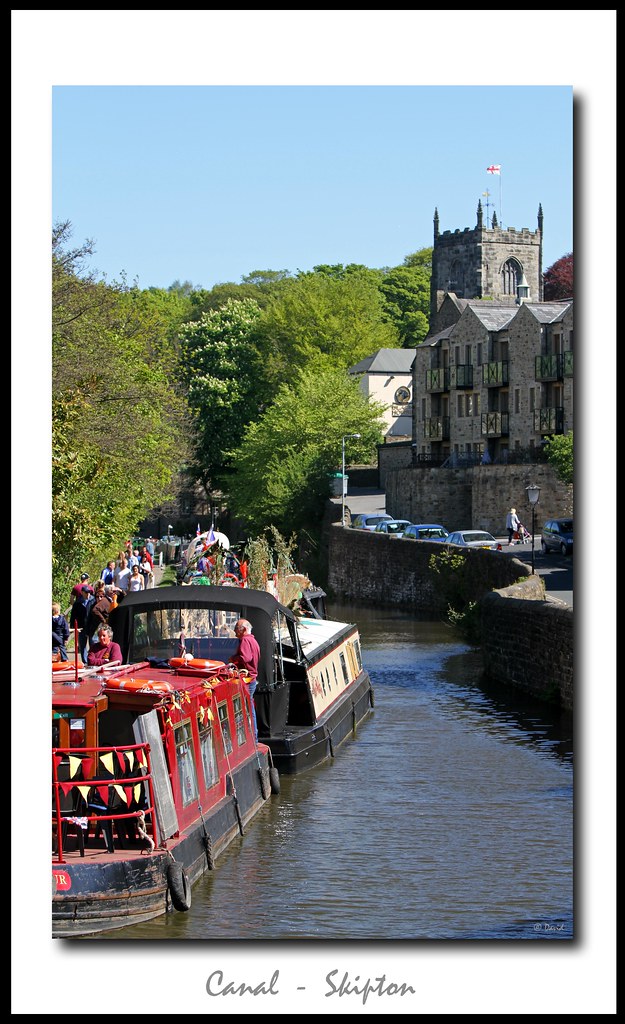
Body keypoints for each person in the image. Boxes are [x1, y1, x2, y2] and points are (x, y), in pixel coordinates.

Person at [230, 618, 260, 740]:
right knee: (250, 706)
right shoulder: (254, 641)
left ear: (244, 629)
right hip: (253, 678)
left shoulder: (245, 641)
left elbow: (246, 658)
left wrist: (233, 659)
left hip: (247, 679)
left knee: (248, 708)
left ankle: (252, 737)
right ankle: (253, 736)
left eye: (237, 629)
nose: (235, 631)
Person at [70, 585, 95, 664]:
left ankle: (93, 660)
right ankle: (85, 661)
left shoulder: (93, 600)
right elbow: (73, 614)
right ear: (82, 593)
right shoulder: (78, 602)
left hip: (91, 625)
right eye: (86, 593)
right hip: (81, 626)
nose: (88, 594)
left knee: (93, 644)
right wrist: (73, 625)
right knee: (82, 645)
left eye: (88, 593)